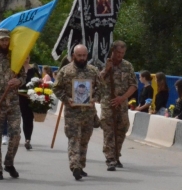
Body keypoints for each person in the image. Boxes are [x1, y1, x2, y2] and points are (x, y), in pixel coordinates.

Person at [0, 28, 27, 180]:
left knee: (16, 134)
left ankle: (9, 162)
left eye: (7, 39)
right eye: (2, 40)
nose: (5, 42)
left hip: (12, 102)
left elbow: (23, 76)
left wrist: (19, 81)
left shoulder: (15, 57)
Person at [53, 44, 102, 180]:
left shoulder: (93, 71)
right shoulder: (65, 71)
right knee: (74, 139)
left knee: (84, 140)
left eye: (84, 56)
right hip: (72, 112)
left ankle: (80, 165)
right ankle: (74, 166)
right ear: (74, 55)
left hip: (88, 113)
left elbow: (101, 88)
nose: (81, 58)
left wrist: (95, 98)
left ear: (87, 56)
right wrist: (66, 99)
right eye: (79, 55)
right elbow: (56, 88)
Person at [99, 41, 137, 171]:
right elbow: (97, 81)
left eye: (122, 53)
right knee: (109, 130)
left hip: (122, 103)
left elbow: (133, 85)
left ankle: (116, 154)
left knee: (122, 128)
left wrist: (123, 98)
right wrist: (106, 70)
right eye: (118, 53)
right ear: (113, 52)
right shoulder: (104, 63)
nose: (120, 55)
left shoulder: (128, 66)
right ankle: (110, 158)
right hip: (107, 102)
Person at [18, 58, 41, 151]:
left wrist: (39, 83)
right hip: (18, 96)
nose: (26, 60)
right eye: (24, 57)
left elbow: (40, 80)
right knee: (16, 118)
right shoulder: (17, 69)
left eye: (28, 57)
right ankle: (11, 137)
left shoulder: (34, 69)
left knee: (28, 118)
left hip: (30, 97)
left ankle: (28, 139)